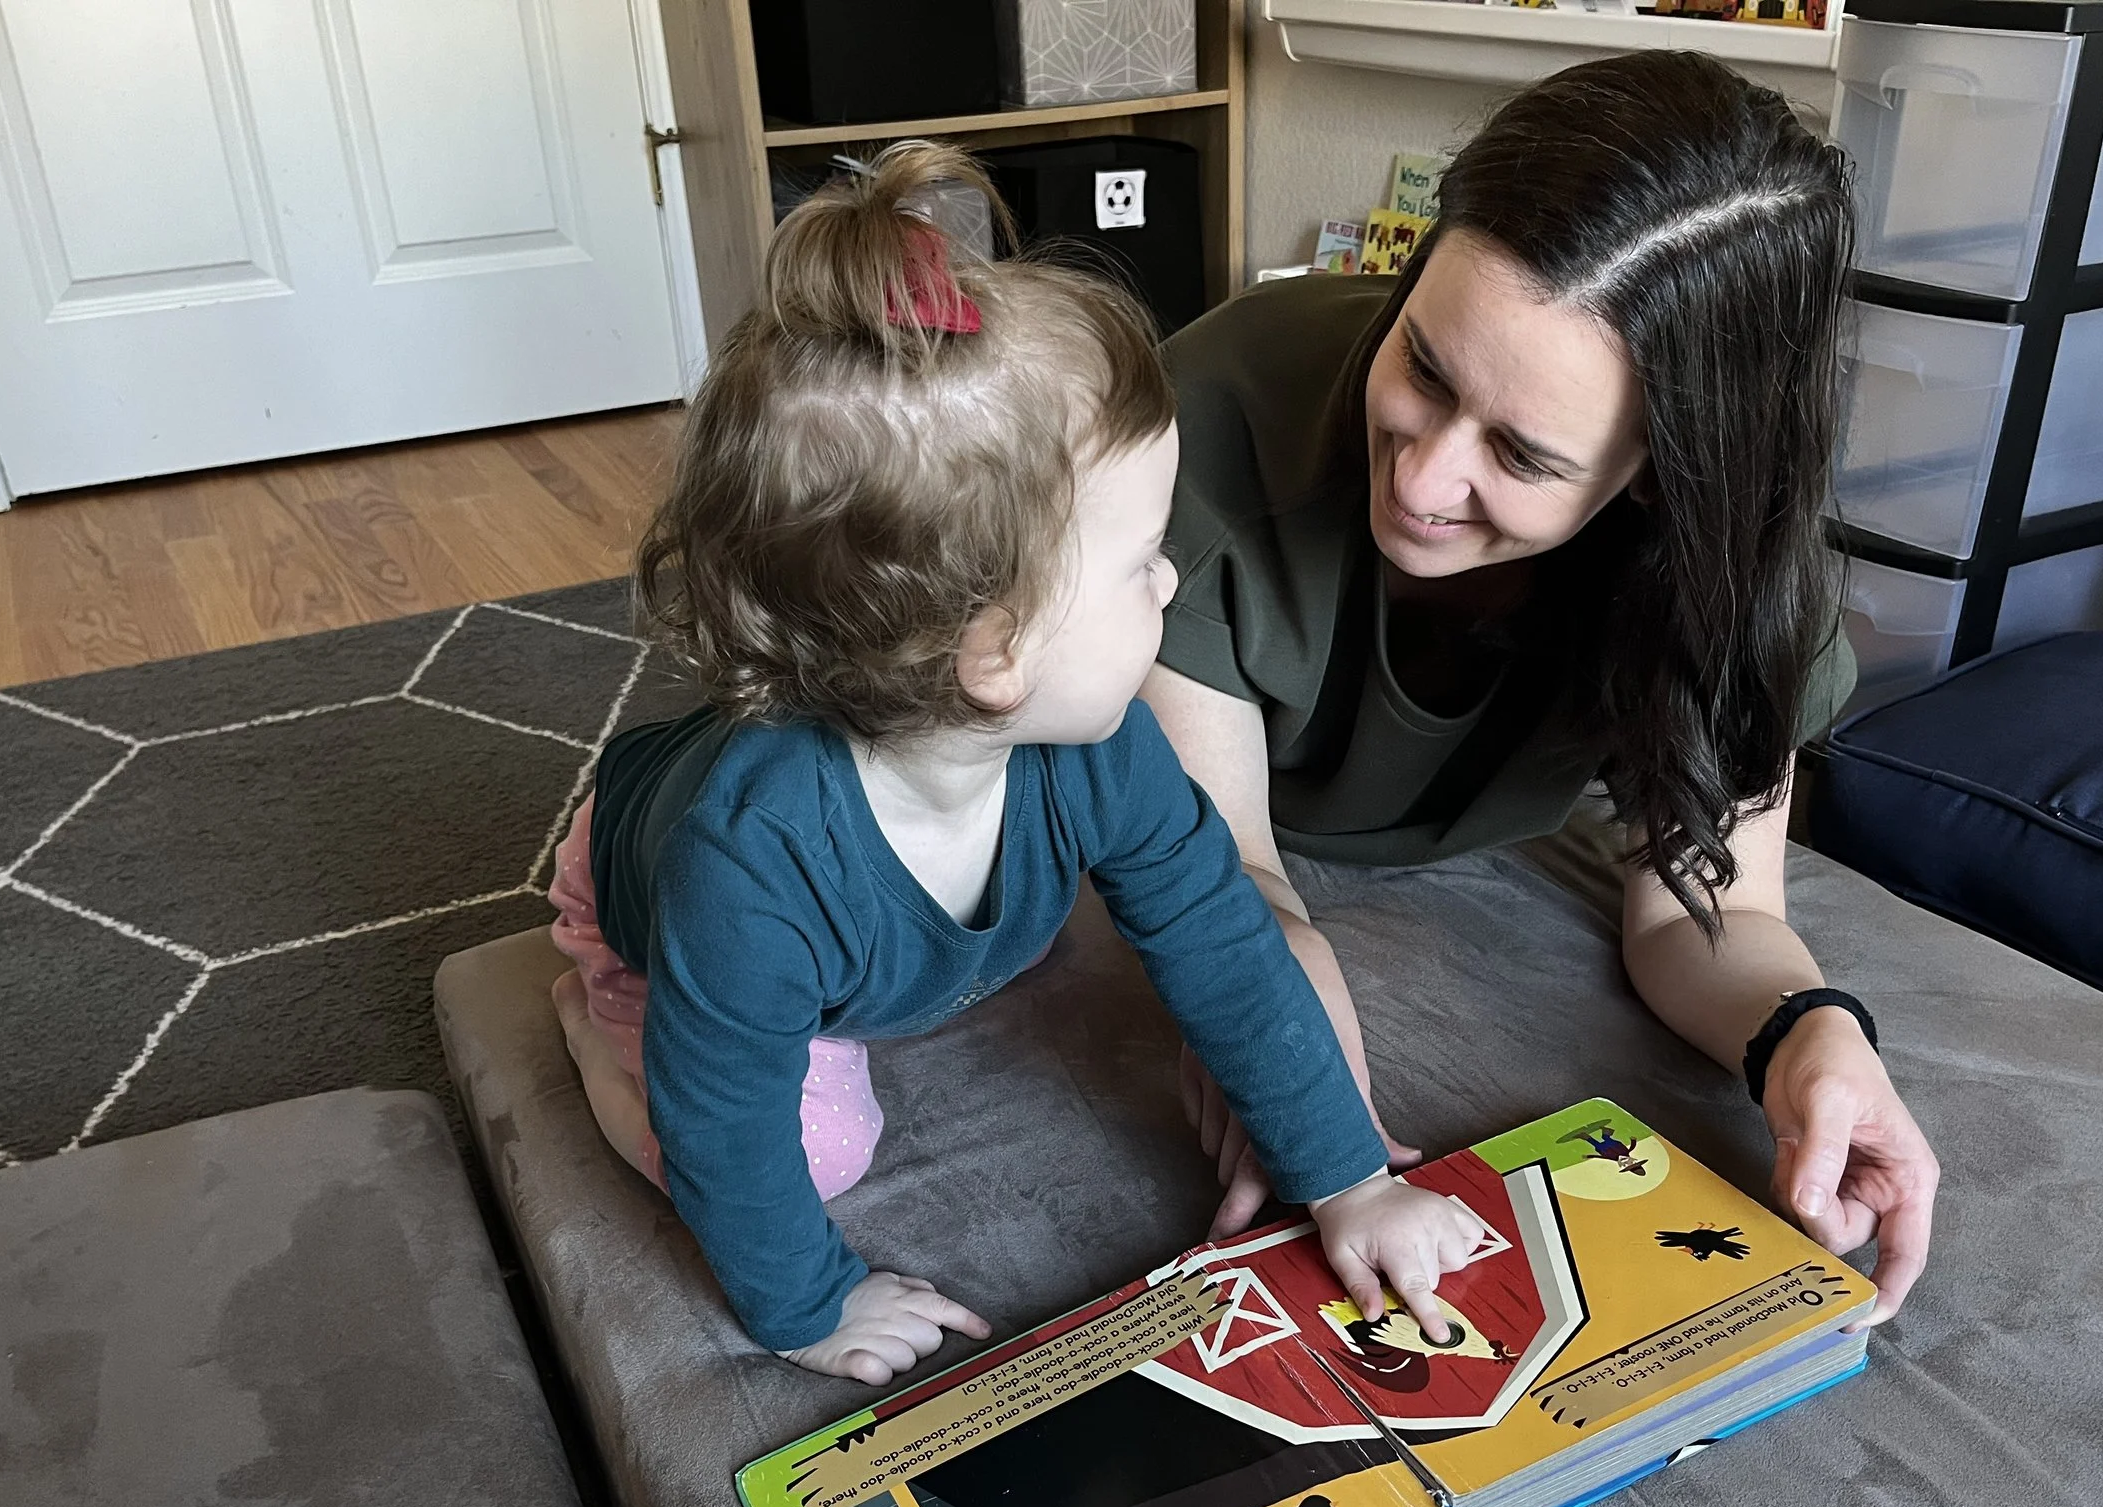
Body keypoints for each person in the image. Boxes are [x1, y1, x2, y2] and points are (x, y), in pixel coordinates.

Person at [545, 143, 1483, 1384]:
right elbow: (729, 1133)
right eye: (1144, 552)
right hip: (638, 882)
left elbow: (1226, 947)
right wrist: (807, 1308)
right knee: (808, 1142)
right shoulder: (748, 871)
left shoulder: (1097, 745)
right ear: (993, 650)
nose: (1172, 579)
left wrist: (1350, 1182)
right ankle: (583, 1020)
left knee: (1046, 930)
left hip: (859, 862)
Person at [1144, 54, 1940, 1322]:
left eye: (1519, 454)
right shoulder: (1201, 428)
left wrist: (1808, 1035)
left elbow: (1697, 916)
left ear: (1660, 478)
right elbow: (1225, 873)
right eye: (1425, 368)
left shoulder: (1726, 585)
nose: (1421, 477)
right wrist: (1278, 1036)